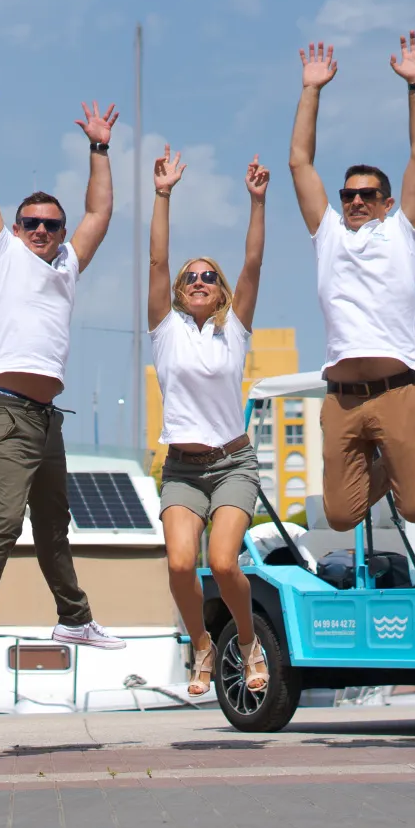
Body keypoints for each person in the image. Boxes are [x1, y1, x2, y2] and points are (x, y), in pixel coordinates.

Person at [0, 68, 126, 683]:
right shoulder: (1, 253)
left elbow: (100, 211)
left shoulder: (66, 266)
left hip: (46, 418)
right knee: (5, 519)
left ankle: (74, 616)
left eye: (52, 224)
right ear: (18, 230)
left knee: (55, 525)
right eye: (34, 224)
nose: (45, 232)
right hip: (1, 407)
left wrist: (99, 149)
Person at [289, 31, 415, 533]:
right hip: (342, 396)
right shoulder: (329, 234)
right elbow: (300, 162)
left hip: (396, 390)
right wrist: (311, 90)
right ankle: (404, 465)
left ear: (387, 202)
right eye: (348, 194)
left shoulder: (404, 234)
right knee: (339, 516)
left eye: (368, 194)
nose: (356, 202)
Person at [147, 146, 271, 697]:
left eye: (208, 277)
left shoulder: (234, 329)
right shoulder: (165, 329)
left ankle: (245, 641)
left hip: (232, 463)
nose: (199, 281)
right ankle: (201, 643)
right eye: (190, 277)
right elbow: (155, 261)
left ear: (220, 291)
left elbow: (253, 263)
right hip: (181, 465)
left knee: (223, 563)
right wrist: (163, 194)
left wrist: (257, 202)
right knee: (179, 565)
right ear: (179, 289)